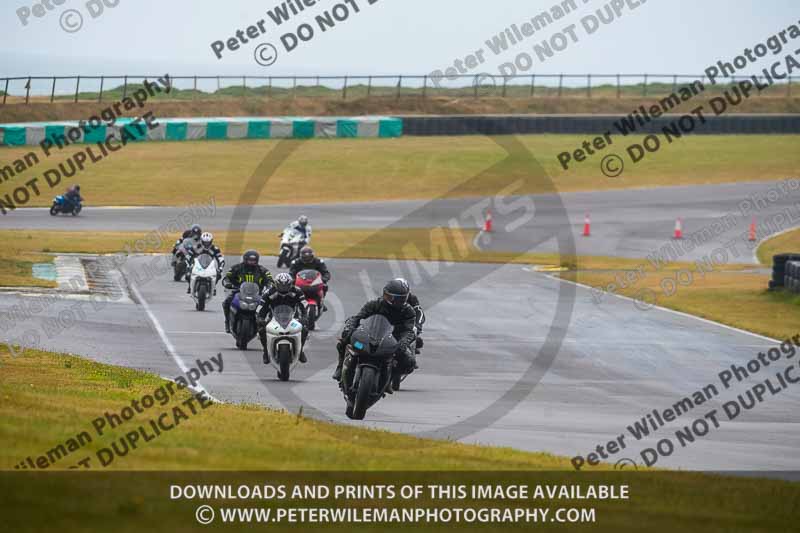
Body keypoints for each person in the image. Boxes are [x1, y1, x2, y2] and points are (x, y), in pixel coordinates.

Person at [333, 279, 417, 382]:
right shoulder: (375, 304)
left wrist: (403, 342)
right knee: (344, 341)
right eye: (388, 296)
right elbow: (358, 317)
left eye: (392, 297)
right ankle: (340, 366)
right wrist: (349, 327)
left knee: (409, 362)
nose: (390, 299)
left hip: (393, 341)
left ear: (404, 298)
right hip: (370, 335)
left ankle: (390, 378)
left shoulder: (408, 311)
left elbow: (409, 331)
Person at [258, 272, 309, 364]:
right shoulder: (269, 292)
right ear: (276, 284)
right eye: (281, 286)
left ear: (290, 284)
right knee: (262, 329)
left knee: (304, 329)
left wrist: (305, 316)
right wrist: (260, 318)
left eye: (286, 285)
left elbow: (304, 304)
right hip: (273, 318)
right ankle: (265, 352)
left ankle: (300, 351)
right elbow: (262, 306)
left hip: (293, 317)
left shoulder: (297, 291)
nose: (284, 288)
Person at [221, 250, 273, 333]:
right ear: (245, 259)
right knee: (226, 302)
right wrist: (229, 284)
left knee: (269, 305)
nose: (251, 262)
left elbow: (270, 280)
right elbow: (227, 277)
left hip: (257, 295)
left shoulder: (262, 270)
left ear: (257, 260)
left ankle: (265, 325)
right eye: (250, 260)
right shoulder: (236, 268)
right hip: (238, 292)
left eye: (253, 261)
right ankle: (228, 321)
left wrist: (269, 287)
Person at [393, 278, 425, 354]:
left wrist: (417, 325)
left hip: (406, 327)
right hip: (389, 326)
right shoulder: (387, 298)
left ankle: (409, 359)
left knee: (415, 343)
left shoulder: (412, 299)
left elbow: (419, 312)